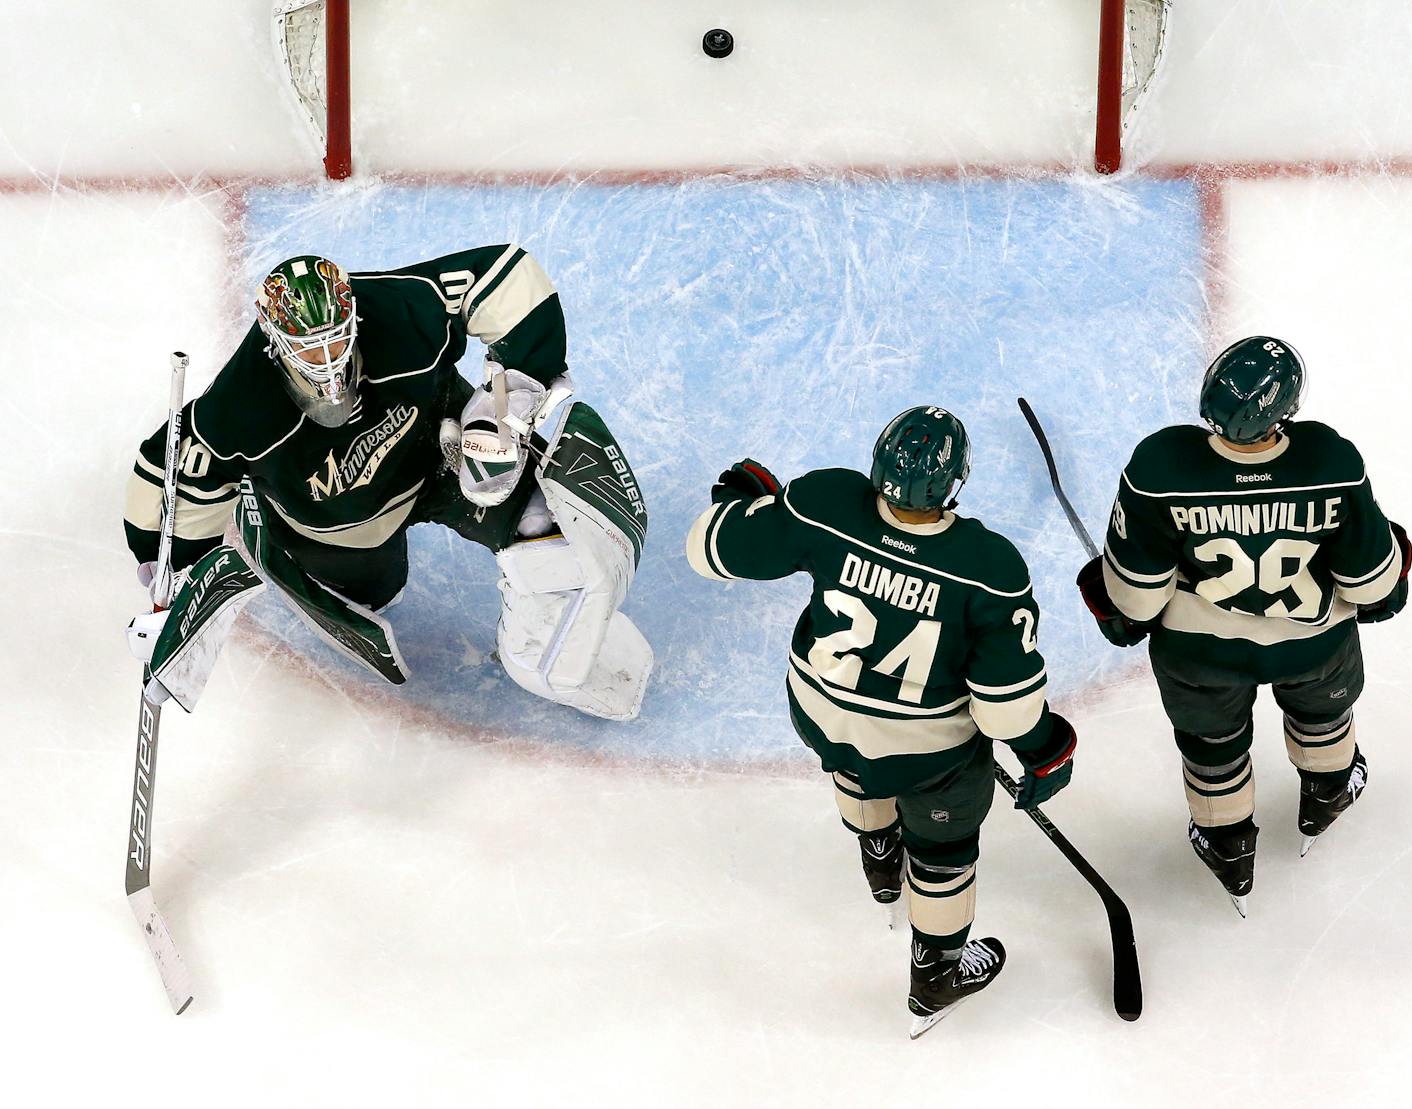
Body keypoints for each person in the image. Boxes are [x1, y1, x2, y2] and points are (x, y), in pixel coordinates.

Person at [123, 247, 651, 721]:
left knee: (544, 531)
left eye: (337, 341)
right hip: (342, 529)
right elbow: (167, 480)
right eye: (310, 351)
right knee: (379, 595)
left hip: (440, 455)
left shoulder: (400, 309)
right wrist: (168, 582)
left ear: (353, 313)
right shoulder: (236, 408)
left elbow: (508, 277)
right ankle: (292, 537)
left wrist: (507, 401)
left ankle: (546, 651)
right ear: (274, 341)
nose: (329, 364)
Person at [685, 406, 1077, 1038]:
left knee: (853, 756)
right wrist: (1046, 749)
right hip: (926, 752)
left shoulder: (826, 501)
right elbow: (1003, 706)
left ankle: (877, 852)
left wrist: (747, 504)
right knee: (945, 843)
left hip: (818, 712)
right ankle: (938, 972)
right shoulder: (989, 567)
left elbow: (712, 550)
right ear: (957, 482)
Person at [1078, 336, 1410, 915]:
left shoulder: (1160, 465)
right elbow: (1373, 587)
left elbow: (1135, 597)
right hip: (1312, 645)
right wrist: (1393, 567)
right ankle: (1328, 792)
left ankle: (1227, 843)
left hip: (1199, 656)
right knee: (1323, 716)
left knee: (1212, 745)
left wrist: (1113, 603)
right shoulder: (1330, 459)